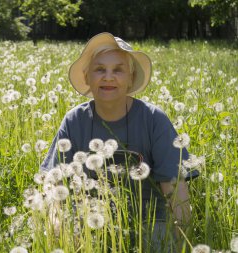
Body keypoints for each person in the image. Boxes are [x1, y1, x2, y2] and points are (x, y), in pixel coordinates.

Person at [40, 33, 199, 252]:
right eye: (99, 70)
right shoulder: (74, 121)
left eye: (118, 70)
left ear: (131, 78)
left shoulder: (154, 120)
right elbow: (53, 182)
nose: (108, 77)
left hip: (149, 221)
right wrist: (57, 228)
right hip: (91, 221)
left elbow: (175, 189)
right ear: (87, 77)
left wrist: (182, 241)